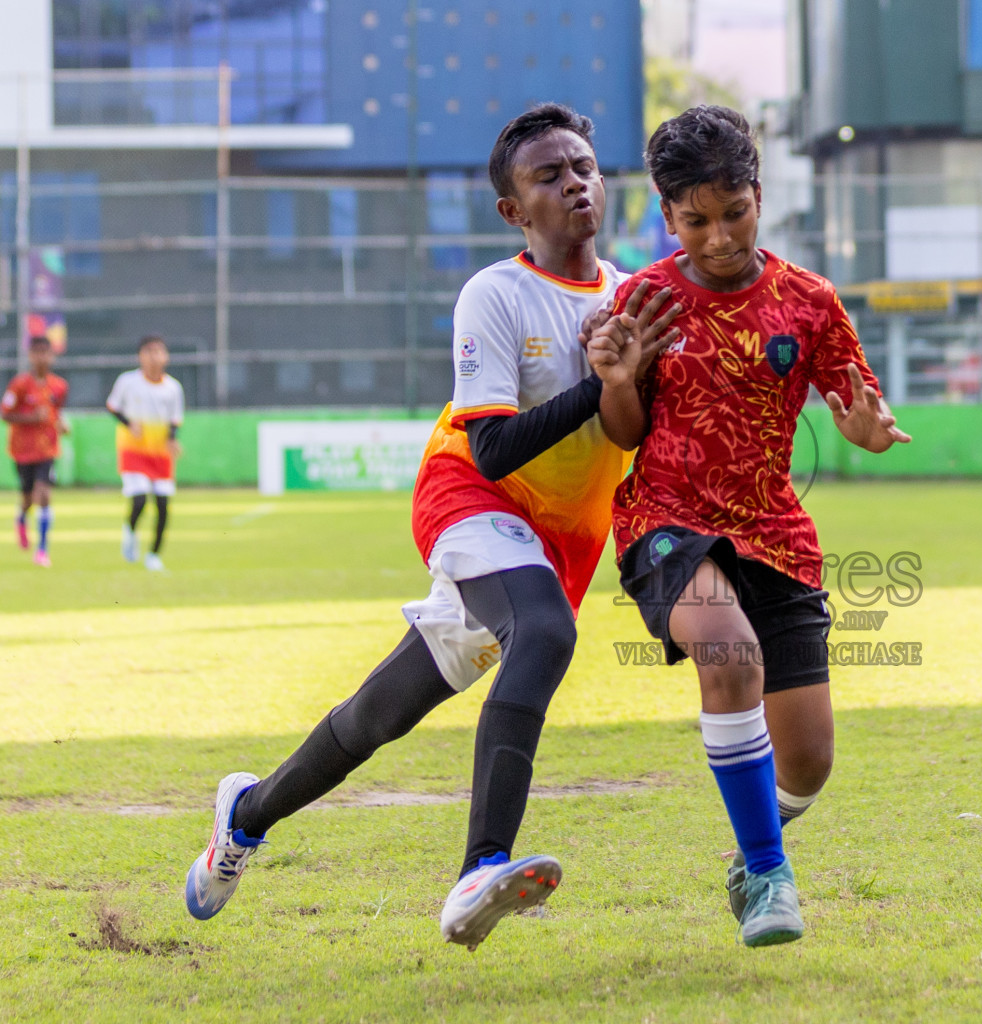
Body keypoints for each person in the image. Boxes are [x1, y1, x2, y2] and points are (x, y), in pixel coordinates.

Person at [182, 103, 680, 953]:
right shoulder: (496, 293)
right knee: (548, 632)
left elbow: (629, 434)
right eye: (549, 175)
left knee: (379, 716)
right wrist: (596, 386)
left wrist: (625, 382)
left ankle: (247, 813)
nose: (575, 183)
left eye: (585, 168)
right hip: (470, 495)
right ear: (513, 211)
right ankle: (482, 867)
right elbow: (489, 447)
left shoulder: (637, 297)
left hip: (560, 538)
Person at [588, 105, 911, 948]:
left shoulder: (809, 300)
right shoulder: (645, 298)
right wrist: (619, 380)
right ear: (668, 217)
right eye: (697, 220)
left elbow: (859, 406)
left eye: (735, 213)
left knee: (808, 763)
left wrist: (866, 433)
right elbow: (624, 433)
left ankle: (753, 849)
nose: (721, 236)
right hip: (665, 520)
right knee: (729, 658)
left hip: (774, 530)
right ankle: (773, 881)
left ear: (758, 197)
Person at [106, 335, 185, 572]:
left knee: (162, 505)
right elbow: (112, 406)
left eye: (159, 351)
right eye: (149, 351)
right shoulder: (128, 382)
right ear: (140, 356)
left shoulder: (173, 388)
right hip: (134, 451)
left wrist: (172, 440)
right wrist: (128, 422)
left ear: (166, 356)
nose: (154, 356)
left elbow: (175, 419)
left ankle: (154, 555)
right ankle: (130, 532)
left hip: (160, 454)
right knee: (139, 498)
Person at [2, 336, 69, 568]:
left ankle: (42, 549)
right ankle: (20, 518)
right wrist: (31, 418)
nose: (41, 357)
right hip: (22, 451)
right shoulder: (19, 385)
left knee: (44, 495)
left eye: (46, 352)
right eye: (37, 352)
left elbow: (56, 411)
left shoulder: (59, 386)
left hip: (47, 450)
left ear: (52, 355)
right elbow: (5, 414)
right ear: (30, 356)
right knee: (28, 498)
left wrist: (61, 423)